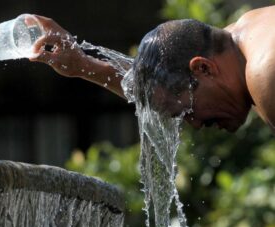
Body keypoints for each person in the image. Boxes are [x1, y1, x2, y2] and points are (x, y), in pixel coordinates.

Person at [30, 6, 275, 132]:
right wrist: (83, 65)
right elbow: (160, 86)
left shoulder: (266, 77)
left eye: (186, 111)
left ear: (203, 68)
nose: (196, 124)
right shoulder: (241, 38)